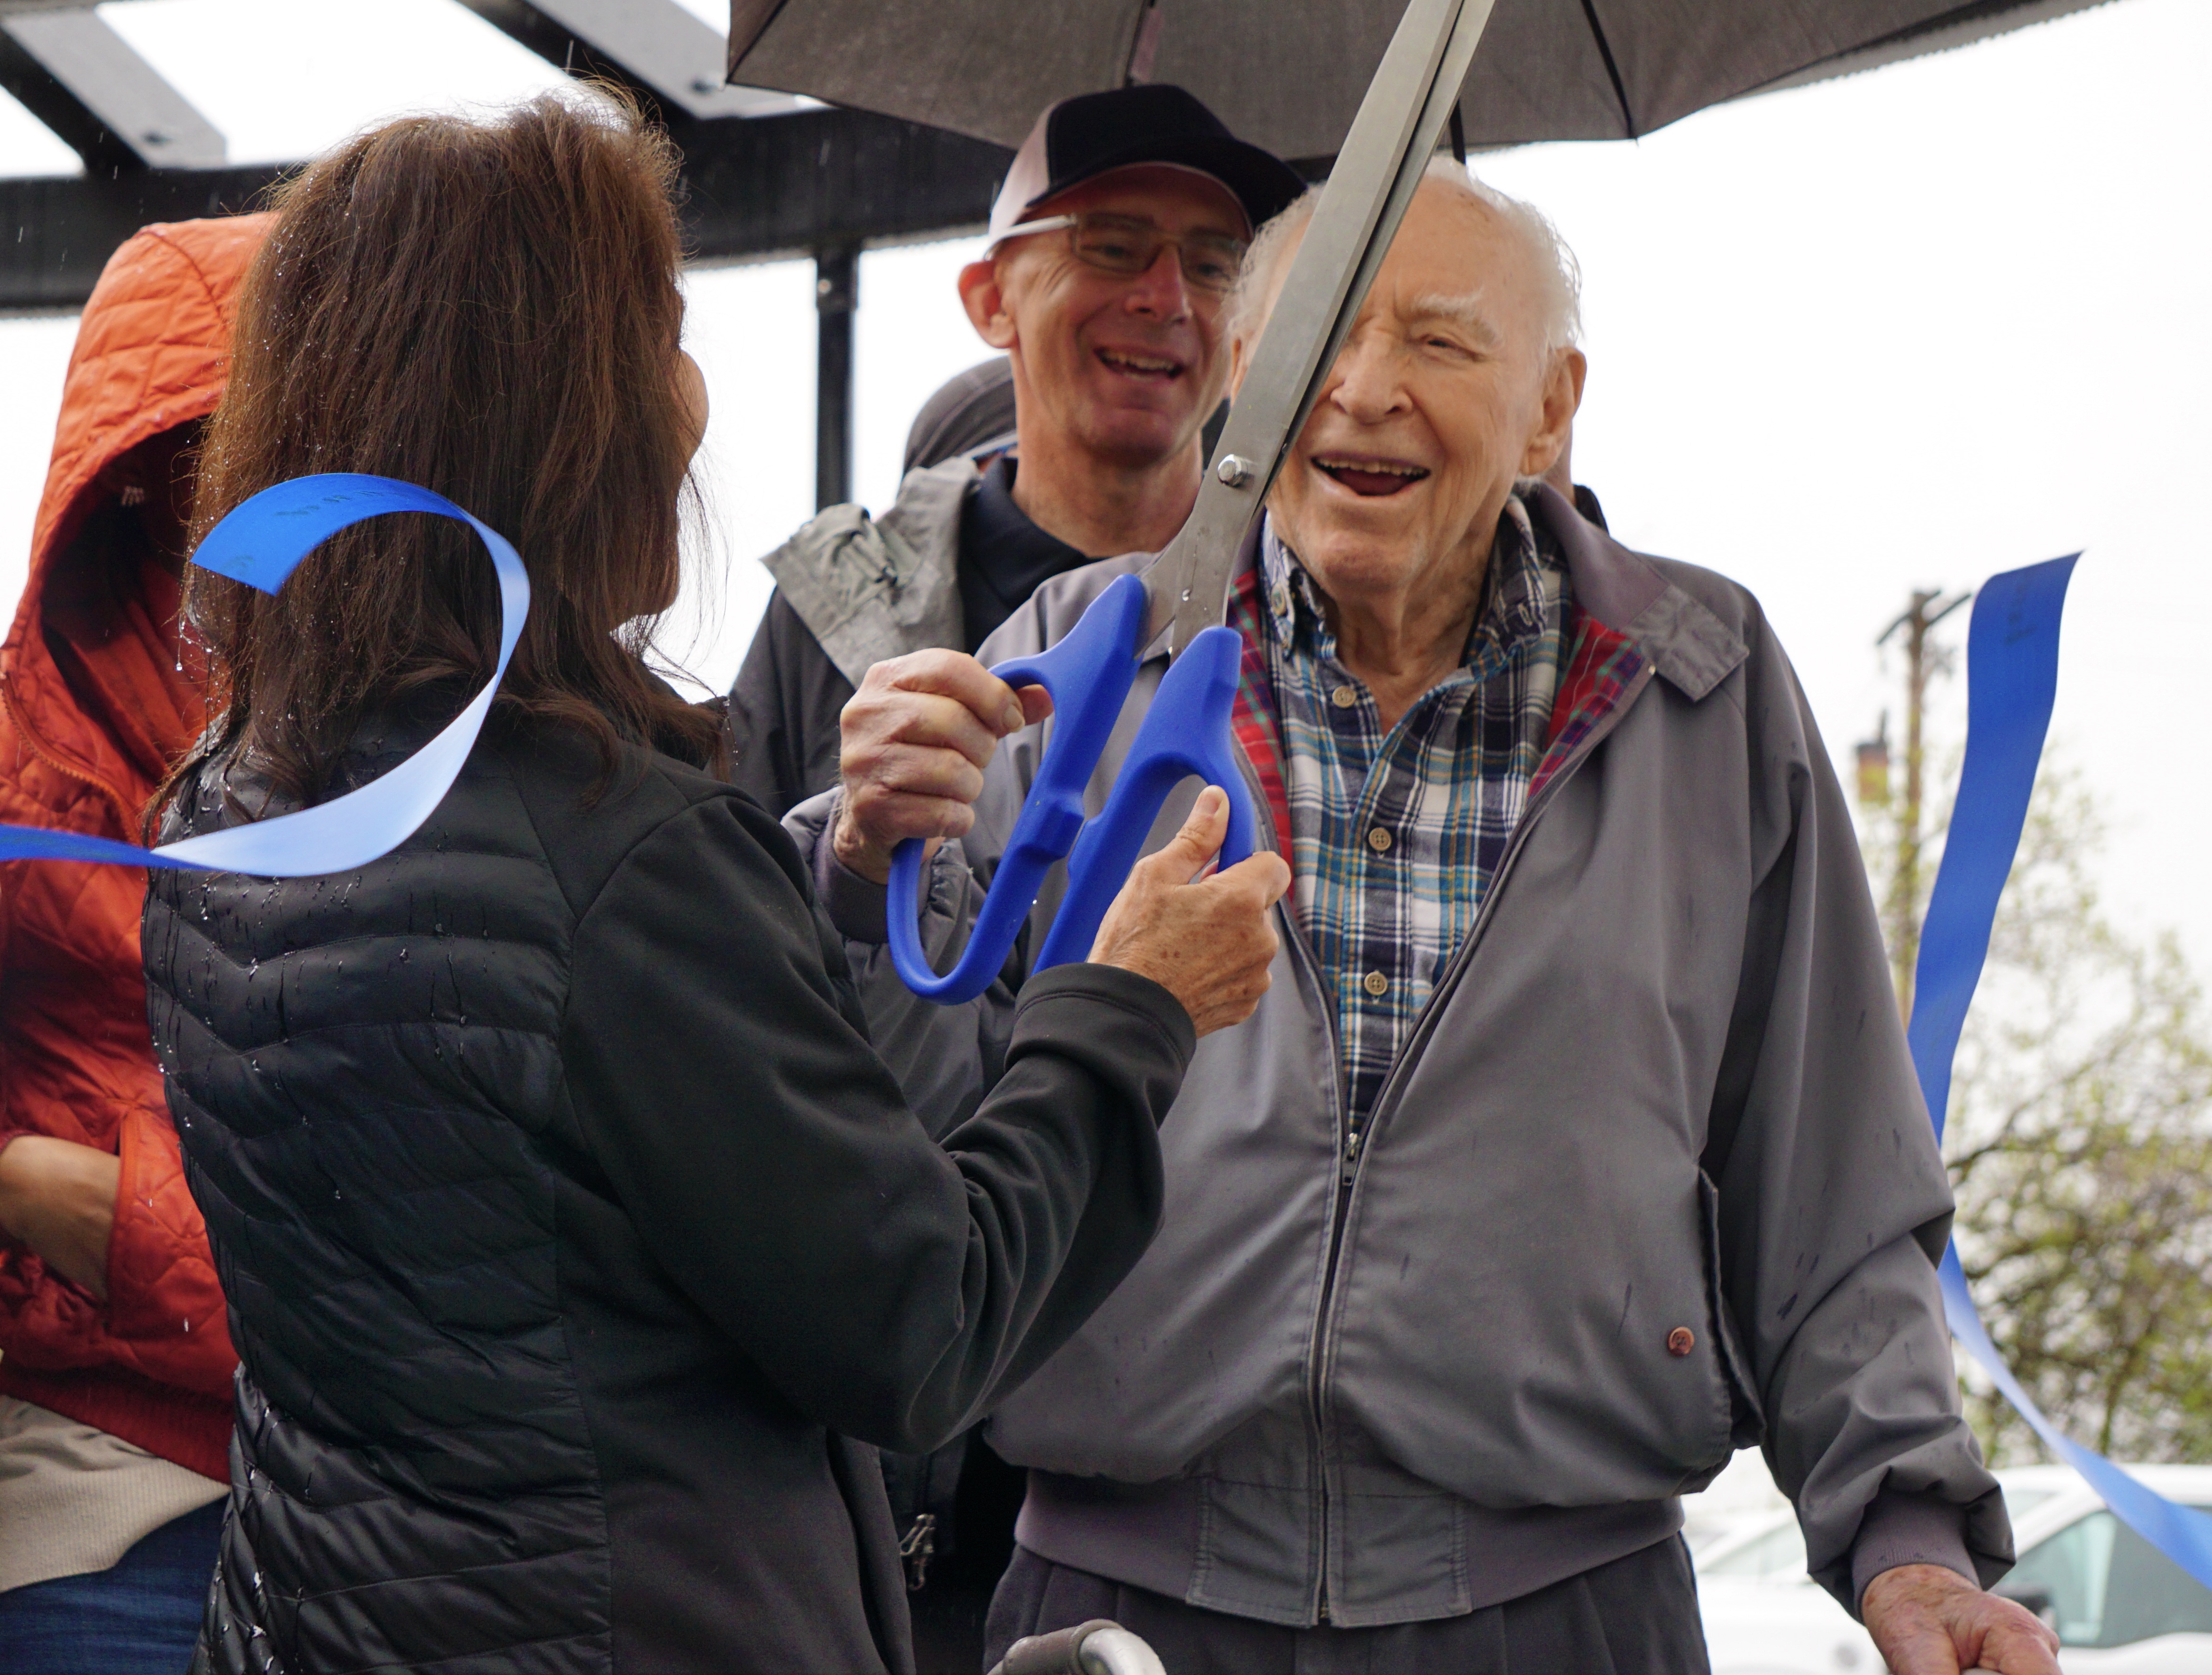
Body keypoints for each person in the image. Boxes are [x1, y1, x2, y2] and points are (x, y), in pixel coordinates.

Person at [812, 161, 2062, 1675]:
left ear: (1552, 408)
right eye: (1319, 337)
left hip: (1571, 1616)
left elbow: (1833, 1181)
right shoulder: (1071, 667)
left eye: (1442, 342)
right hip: (1120, 1618)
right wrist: (865, 879)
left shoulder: (1703, 689)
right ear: (1241, 389)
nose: (1363, 388)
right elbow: (899, 1160)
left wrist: (1909, 1537)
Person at [140, 92, 1291, 1674]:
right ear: (558, 408)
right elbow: (920, 1323)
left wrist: (823, 863)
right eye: (660, 333)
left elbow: (528, 1181)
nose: (690, 399)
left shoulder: (230, 807)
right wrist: (1128, 1012)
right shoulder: (617, 859)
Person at [0, 210, 274, 1670]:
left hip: (413, 1519)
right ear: (156, 469)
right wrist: (39, 1187)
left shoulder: (443, 759)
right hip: (114, 1513)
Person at [728, 84, 1303, 820]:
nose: (1168, 297)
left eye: (1216, 266)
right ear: (991, 300)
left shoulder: (1312, 600)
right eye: (1114, 247)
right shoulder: (832, 611)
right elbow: (730, 907)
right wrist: (849, 845)